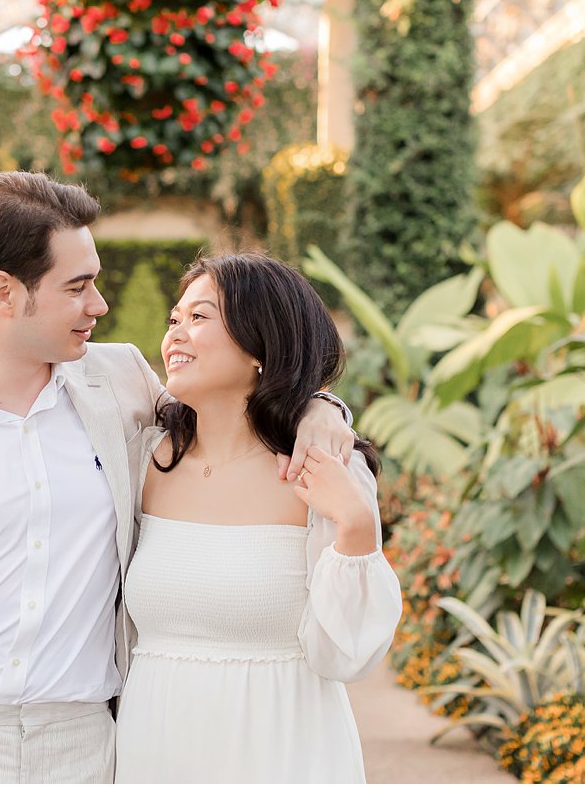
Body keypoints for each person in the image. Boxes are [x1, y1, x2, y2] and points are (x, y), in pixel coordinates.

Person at [0, 173, 356, 784]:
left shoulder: (123, 385)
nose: (99, 305)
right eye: (77, 287)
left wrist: (320, 408)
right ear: (4, 293)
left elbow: (234, 408)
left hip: (88, 747)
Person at [113, 253, 402, 784]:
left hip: (284, 752)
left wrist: (357, 527)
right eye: (174, 319)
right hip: (154, 751)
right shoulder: (142, 458)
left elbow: (350, 656)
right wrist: (326, 403)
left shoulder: (325, 470)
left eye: (199, 318)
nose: (175, 333)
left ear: (261, 346)